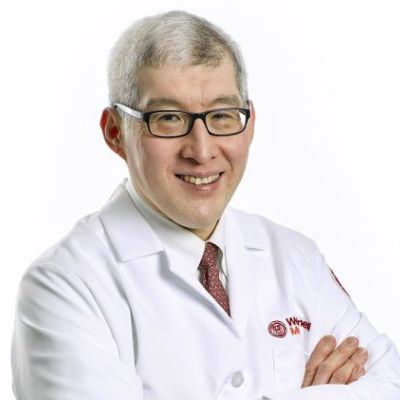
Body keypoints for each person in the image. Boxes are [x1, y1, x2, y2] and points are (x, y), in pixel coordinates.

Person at [11, 10, 400, 400]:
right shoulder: (64, 286)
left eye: (222, 115)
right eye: (168, 118)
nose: (201, 150)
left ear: (249, 123)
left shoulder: (297, 258)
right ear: (115, 133)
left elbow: (392, 385)